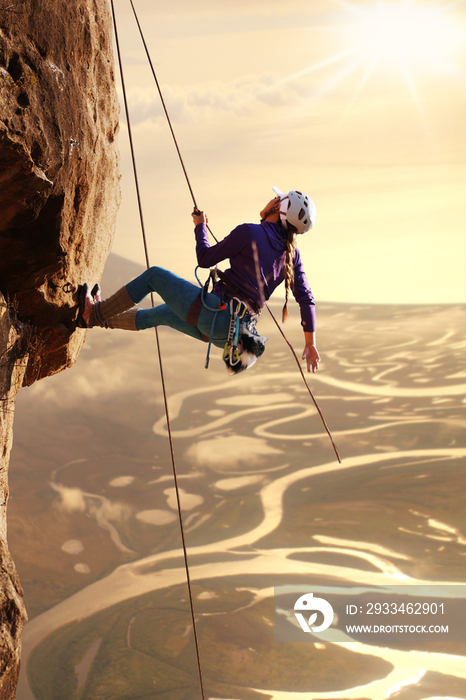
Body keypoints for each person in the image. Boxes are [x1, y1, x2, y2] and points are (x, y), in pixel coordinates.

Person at [78, 186, 320, 374]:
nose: (270, 201)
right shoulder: (291, 256)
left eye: (275, 199)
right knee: (161, 314)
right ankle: (99, 319)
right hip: (230, 335)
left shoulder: (249, 232)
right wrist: (310, 343)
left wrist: (200, 227)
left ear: (279, 207)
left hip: (215, 313)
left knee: (154, 276)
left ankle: (94, 312)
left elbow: (204, 258)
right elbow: (306, 299)